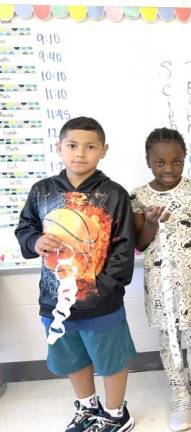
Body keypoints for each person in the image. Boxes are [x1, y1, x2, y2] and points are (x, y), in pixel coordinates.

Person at [14, 116, 137, 432]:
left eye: (90, 146)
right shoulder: (42, 191)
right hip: (54, 300)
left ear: (103, 151)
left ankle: (115, 412)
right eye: (72, 145)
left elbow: (123, 250)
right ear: (59, 148)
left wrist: (104, 287)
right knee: (72, 356)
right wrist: (35, 240)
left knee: (110, 359)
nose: (80, 153)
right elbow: (25, 228)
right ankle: (88, 407)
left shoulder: (114, 194)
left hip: (101, 301)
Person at [131, 128, 191, 431]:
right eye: (160, 163)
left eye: (176, 162)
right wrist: (149, 222)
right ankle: (178, 392)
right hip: (160, 283)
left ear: (184, 159)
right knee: (168, 337)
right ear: (149, 162)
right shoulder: (139, 197)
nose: (169, 169)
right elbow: (141, 243)